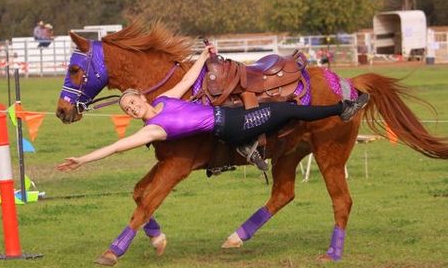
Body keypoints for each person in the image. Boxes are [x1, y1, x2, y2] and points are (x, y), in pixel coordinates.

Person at [57, 45, 370, 174]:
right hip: (232, 126)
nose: (135, 107)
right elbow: (116, 146)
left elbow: (191, 77)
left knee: (286, 112)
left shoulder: (166, 98)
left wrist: (204, 55)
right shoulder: (154, 129)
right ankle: (342, 109)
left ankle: (342, 108)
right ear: (131, 114)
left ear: (141, 96)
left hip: (232, 117)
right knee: (287, 113)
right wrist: (82, 159)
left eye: (134, 100)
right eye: (130, 108)